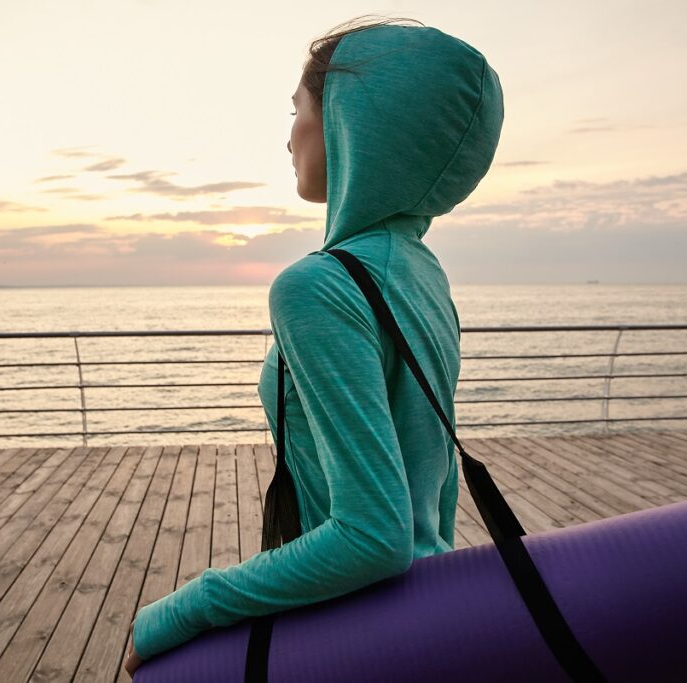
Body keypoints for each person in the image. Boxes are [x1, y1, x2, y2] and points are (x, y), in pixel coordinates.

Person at [125, 13, 503, 676]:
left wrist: (185, 607)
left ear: (351, 123)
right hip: (429, 619)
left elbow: (373, 536)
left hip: (355, 633)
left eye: (297, 109)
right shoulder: (422, 273)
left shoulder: (317, 286)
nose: (289, 135)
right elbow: (428, 501)